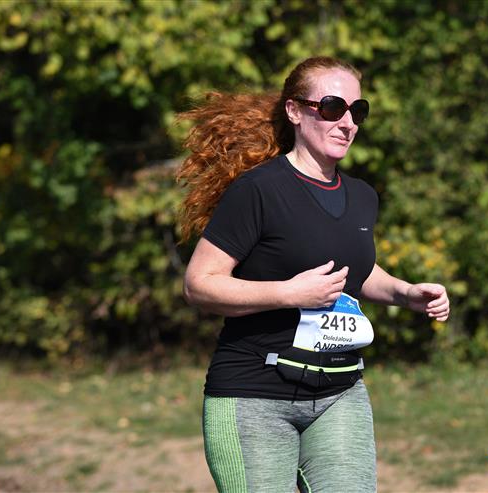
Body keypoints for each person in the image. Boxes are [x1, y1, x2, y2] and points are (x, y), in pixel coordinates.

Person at [178, 56, 450, 493]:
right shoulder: (258, 190)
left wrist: (405, 293)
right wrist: (289, 293)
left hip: (340, 393)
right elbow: (200, 284)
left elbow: (355, 272)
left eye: (357, 111)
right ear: (295, 111)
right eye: (332, 107)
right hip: (254, 395)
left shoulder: (362, 196)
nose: (348, 122)